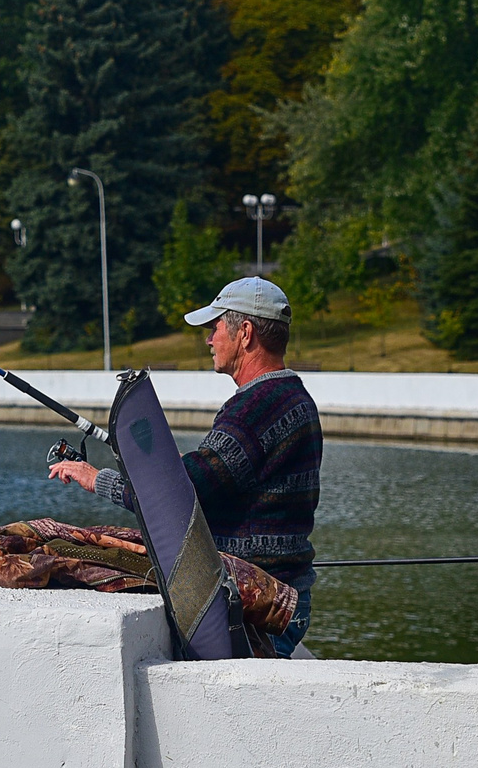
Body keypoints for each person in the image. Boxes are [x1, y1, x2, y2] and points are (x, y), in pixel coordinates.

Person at [48, 276, 320, 655]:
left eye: (214, 328)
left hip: (260, 603)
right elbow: (223, 475)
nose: (209, 340)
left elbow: (177, 497)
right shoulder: (292, 397)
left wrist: (97, 479)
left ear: (244, 333)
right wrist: (182, 466)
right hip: (284, 594)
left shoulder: (256, 409)